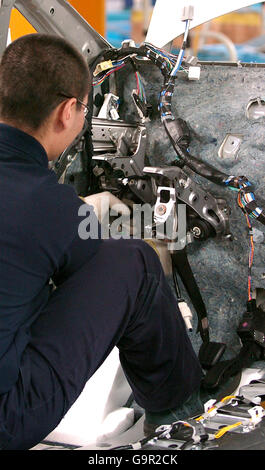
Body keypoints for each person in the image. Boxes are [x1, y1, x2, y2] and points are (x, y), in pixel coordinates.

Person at [0, 33, 202, 450]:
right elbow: (98, 275)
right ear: (67, 111)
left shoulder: (45, 203)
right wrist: (153, 246)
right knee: (135, 264)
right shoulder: (47, 203)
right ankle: (178, 421)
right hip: (8, 416)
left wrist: (74, 211)